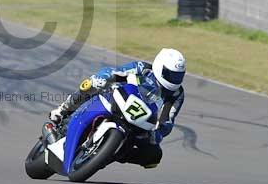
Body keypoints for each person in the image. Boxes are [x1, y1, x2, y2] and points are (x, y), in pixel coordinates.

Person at [46, 48, 186, 169]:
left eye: (178, 76)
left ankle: (112, 154)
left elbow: (167, 120)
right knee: (89, 84)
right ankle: (63, 110)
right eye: (171, 74)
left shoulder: (177, 94)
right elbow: (116, 72)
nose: (174, 79)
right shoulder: (142, 68)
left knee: (154, 157)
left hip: (141, 122)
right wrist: (102, 78)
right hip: (117, 100)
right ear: (159, 66)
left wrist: (158, 133)